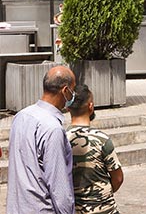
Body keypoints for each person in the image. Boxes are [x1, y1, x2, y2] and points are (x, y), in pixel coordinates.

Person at [6, 66, 76, 214]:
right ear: (65, 91)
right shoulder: (52, 128)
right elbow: (59, 186)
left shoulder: (21, 116)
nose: (72, 96)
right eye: (72, 90)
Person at [66, 84, 123, 214]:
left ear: (68, 108)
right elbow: (118, 178)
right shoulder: (102, 140)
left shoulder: (62, 139)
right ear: (91, 107)